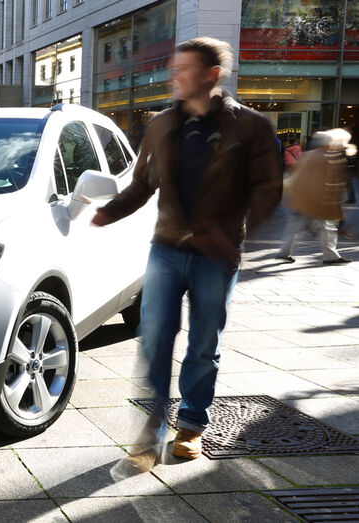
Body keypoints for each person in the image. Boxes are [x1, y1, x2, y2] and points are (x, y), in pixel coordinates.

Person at [91, 37, 282, 466]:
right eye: (174, 68)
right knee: (154, 340)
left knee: (203, 344)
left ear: (212, 74)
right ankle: (152, 428)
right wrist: (107, 212)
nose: (174, 76)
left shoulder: (250, 127)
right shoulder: (161, 124)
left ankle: (191, 424)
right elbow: (143, 184)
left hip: (217, 255)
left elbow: (268, 191)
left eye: (185, 69)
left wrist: (231, 234)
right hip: (167, 249)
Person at [274, 129, 351, 265]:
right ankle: (330, 256)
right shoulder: (328, 157)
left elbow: (297, 176)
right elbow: (331, 183)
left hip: (303, 199)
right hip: (318, 201)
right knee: (328, 229)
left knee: (296, 227)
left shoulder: (309, 155)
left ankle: (284, 252)